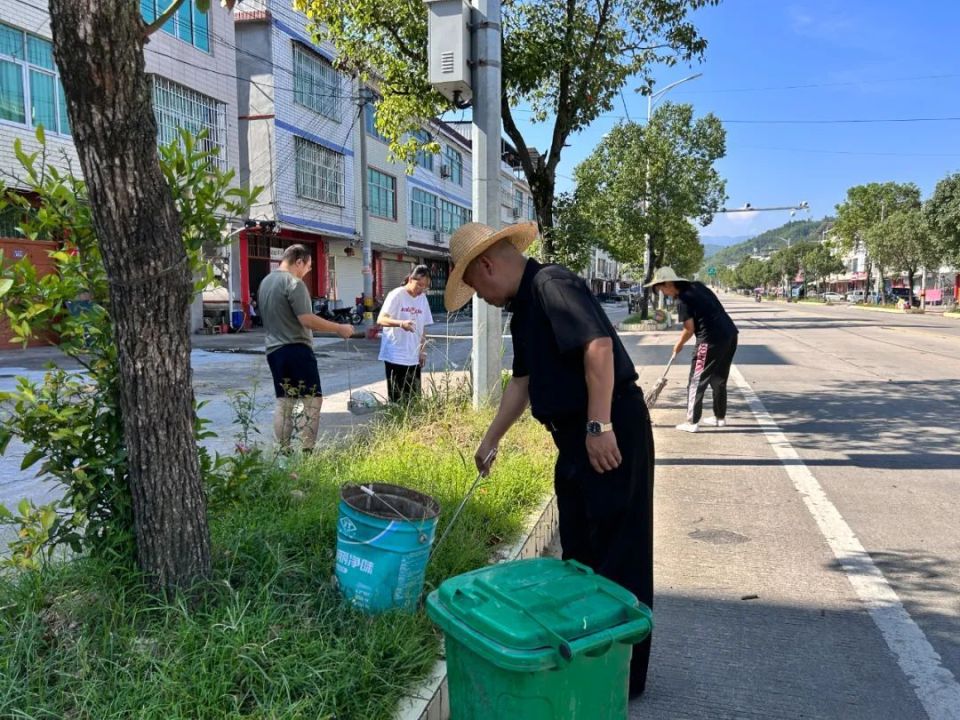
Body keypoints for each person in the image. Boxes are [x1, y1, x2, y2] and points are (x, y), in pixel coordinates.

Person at [444, 222, 655, 699]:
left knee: (619, 553)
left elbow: (597, 347)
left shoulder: (552, 284)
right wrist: (490, 439)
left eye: (477, 288)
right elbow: (521, 383)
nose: (483, 298)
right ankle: (587, 659)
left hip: (606, 429)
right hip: (574, 440)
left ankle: (624, 679)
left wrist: (599, 425)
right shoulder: (524, 310)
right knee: (579, 556)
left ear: (486, 266)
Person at [257, 244, 353, 451]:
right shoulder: (294, 283)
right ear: (298, 261)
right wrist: (339, 328)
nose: (307, 271)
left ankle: (283, 451)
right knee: (312, 402)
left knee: (284, 402)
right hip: (297, 349)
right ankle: (307, 451)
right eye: (308, 266)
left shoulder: (266, 282)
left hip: (274, 351)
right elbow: (307, 319)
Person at [646, 267, 738, 433]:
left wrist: (678, 345)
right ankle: (720, 418)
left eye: (661, 289)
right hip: (730, 334)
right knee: (718, 378)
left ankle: (692, 422)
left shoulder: (683, 300)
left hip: (709, 341)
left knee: (696, 381)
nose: (663, 293)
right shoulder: (698, 286)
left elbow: (689, 329)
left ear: (669, 283)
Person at [377, 265, 434, 403]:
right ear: (410, 279)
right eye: (419, 285)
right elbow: (381, 319)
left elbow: (423, 327)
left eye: (425, 287)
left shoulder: (422, 299)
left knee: (414, 398)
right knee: (398, 398)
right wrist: (401, 323)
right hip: (396, 354)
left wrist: (422, 350)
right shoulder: (397, 294)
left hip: (413, 356)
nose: (421, 289)